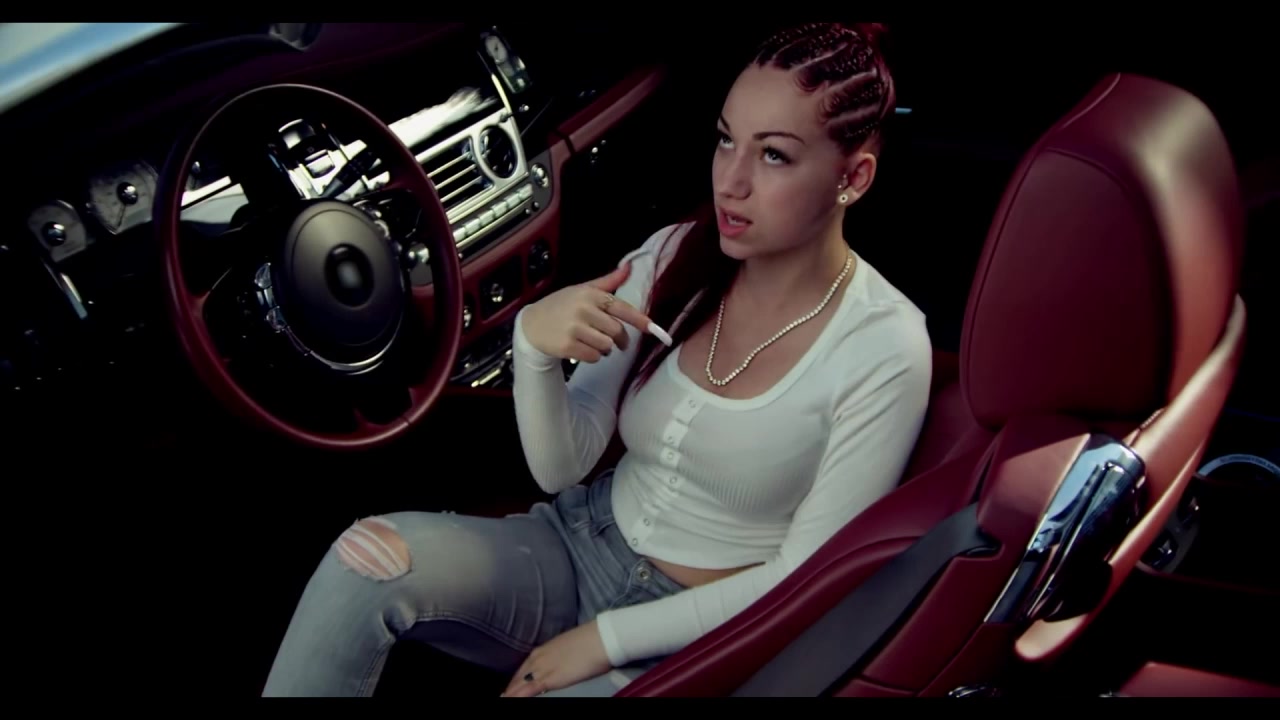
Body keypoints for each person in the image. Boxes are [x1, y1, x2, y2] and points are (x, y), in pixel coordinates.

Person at [262, 21, 932, 698]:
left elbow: (805, 578)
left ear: (853, 177)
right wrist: (532, 345)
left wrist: (603, 641)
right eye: (726, 139)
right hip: (579, 539)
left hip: (702, 631)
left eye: (775, 156)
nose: (731, 181)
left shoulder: (885, 348)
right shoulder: (674, 254)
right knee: (361, 565)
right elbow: (562, 467)